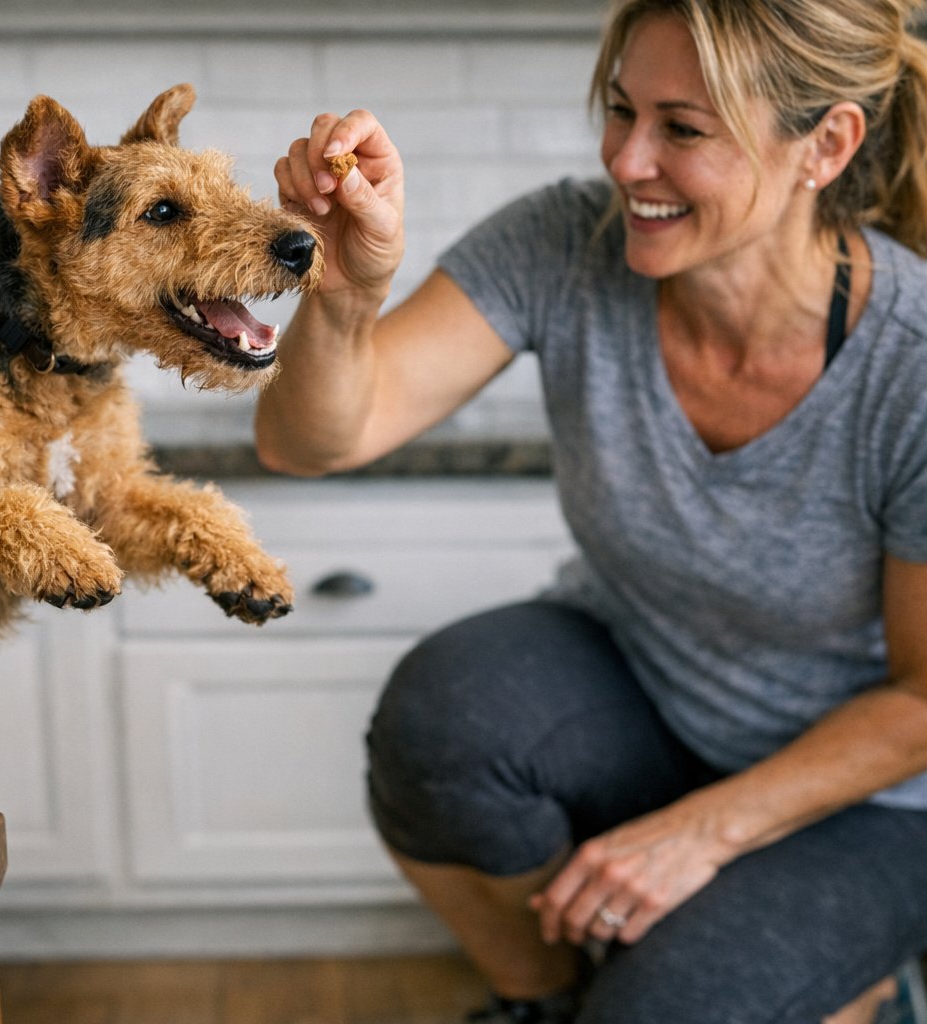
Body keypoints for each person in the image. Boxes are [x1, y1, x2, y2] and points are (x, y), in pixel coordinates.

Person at [258, 0, 927, 1021]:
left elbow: (923, 701)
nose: (627, 159)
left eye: (683, 129)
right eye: (622, 111)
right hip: (647, 702)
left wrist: (705, 830)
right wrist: (344, 298)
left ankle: (863, 984)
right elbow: (313, 440)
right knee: (447, 718)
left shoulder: (911, 368)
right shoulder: (566, 243)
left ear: (824, 145)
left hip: (867, 799)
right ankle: (545, 1004)